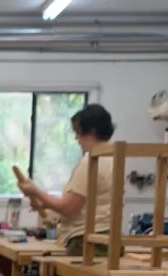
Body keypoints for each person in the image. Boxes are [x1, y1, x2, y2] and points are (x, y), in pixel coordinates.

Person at [17, 103, 115, 257]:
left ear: (93, 131)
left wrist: (34, 191)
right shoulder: (113, 159)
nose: (77, 138)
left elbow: (68, 208)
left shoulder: (92, 162)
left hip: (87, 242)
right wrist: (45, 203)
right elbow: (90, 203)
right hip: (107, 237)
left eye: (79, 132)